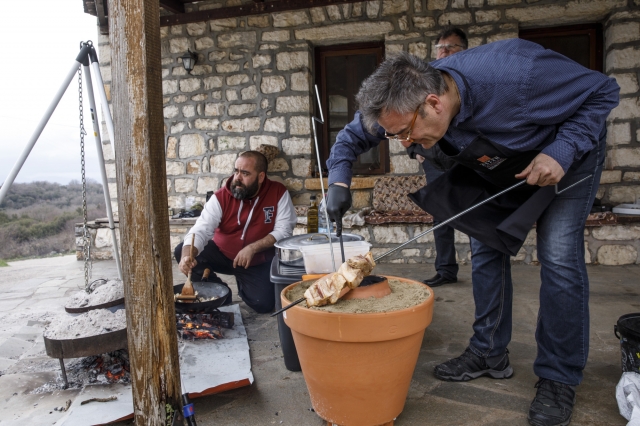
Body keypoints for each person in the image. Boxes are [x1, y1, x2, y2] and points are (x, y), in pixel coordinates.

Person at [325, 39, 619, 426]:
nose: (406, 145)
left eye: (406, 134)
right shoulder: (399, 101)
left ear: (434, 103)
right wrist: (339, 184)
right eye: (395, 136)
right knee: (484, 246)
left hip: (566, 156)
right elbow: (349, 139)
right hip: (497, 161)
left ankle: (558, 376)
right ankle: (489, 352)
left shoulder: (519, 75)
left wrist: (562, 150)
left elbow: (603, 91)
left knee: (559, 255)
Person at [175, 151, 297, 314]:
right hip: (222, 254)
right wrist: (186, 255)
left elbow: (284, 230)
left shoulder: (278, 193)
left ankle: (243, 282)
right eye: (236, 171)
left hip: (256, 261)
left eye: (245, 173)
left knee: (264, 304)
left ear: (261, 177)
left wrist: (252, 248)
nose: (237, 178)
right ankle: (219, 290)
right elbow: (201, 230)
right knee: (182, 250)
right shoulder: (220, 197)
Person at [406, 26, 468, 287]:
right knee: (440, 216)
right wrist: (416, 150)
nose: (443, 52)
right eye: (440, 47)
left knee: (475, 211)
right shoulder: (425, 82)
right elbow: (407, 118)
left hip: (463, 161)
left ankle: (488, 270)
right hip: (433, 162)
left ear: (464, 51)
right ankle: (446, 270)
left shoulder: (467, 79)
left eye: (449, 47)